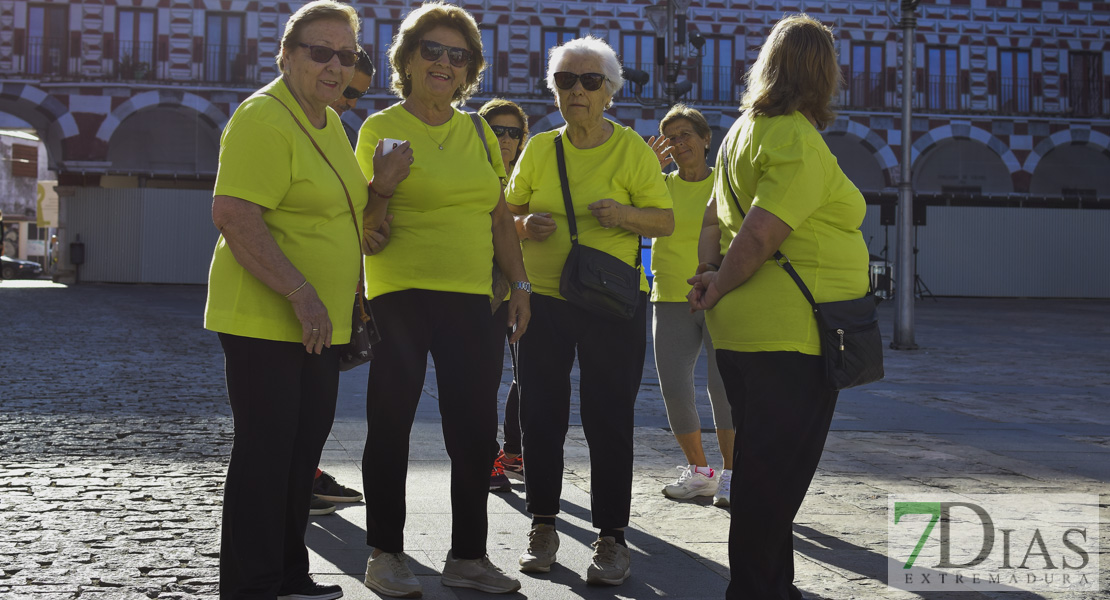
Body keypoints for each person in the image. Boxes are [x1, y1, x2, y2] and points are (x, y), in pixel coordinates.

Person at [686, 14, 870, 600]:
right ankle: (754, 590)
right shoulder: (794, 136)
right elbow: (763, 235)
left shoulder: (744, 129)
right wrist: (716, 284)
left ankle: (774, 586)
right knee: (774, 480)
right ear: (824, 72)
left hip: (746, 334)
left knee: (765, 472)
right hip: (792, 334)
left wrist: (711, 275)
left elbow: (713, 217)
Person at [354, 2, 530, 597]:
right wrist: (383, 187)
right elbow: (366, 227)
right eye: (432, 50)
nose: (445, 63)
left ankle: (469, 556)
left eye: (458, 56)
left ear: (468, 70)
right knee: (391, 423)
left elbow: (499, 216)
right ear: (407, 58)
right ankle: (385, 552)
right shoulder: (380, 129)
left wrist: (520, 286)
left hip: (471, 300)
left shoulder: (480, 130)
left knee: (475, 430)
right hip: (400, 294)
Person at [203, 1, 367, 598]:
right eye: (320, 52)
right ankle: (251, 585)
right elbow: (234, 214)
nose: (334, 65)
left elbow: (331, 210)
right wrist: (301, 292)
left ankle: (288, 574)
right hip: (267, 317)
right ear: (287, 54)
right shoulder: (263, 118)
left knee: (301, 456)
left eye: (346, 55)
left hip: (317, 323)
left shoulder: (327, 120)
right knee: (265, 456)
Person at [505, 36, 673, 587]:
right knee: (541, 415)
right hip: (545, 301)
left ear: (609, 92)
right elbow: (505, 216)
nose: (576, 91)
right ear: (555, 91)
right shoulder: (539, 148)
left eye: (589, 81)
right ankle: (543, 524)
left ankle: (611, 537)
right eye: (566, 81)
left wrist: (625, 215)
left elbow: (664, 221)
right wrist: (525, 227)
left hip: (611, 304)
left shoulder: (632, 151)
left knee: (608, 419)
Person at [645, 105, 734, 506]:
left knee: (724, 389)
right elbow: (620, 203)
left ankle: (732, 476)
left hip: (721, 296)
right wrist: (646, 167)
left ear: (705, 139)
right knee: (675, 389)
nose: (680, 144)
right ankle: (700, 472)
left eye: (686, 135)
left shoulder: (726, 184)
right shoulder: (658, 184)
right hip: (668, 296)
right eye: (672, 137)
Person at [307, 45, 378, 517]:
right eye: (349, 91)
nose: (350, 101)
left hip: (327, 301)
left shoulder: (333, 129)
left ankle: (305, 476)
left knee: (315, 411)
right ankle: (299, 483)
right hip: (297, 302)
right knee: (292, 418)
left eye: (356, 94)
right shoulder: (276, 120)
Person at [478, 98, 530, 493]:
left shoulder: (528, 176)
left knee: (521, 375)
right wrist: (522, 227)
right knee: (485, 378)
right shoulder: (477, 175)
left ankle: (511, 450)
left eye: (515, 132)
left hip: (524, 289)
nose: (507, 139)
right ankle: (488, 454)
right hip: (483, 289)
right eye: (497, 130)